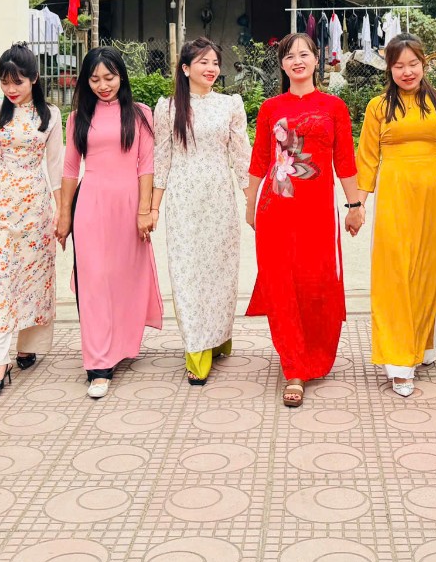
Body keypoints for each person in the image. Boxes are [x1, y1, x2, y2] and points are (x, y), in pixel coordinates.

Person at [358, 34, 436, 398]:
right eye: (399, 66)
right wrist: (357, 205)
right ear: (389, 69)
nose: (407, 72)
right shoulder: (378, 107)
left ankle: (421, 339)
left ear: (424, 64)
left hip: (433, 197)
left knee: (428, 271)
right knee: (394, 274)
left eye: (413, 64)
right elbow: (367, 159)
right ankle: (398, 360)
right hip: (394, 197)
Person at [246, 32, 363, 408]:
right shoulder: (270, 108)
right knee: (282, 285)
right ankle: (293, 367)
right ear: (282, 65)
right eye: (289, 56)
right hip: (276, 210)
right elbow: (260, 159)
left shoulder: (334, 107)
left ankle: (315, 355)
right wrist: (250, 205)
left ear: (316, 60)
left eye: (304, 54)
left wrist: (355, 205)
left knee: (316, 283)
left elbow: (345, 161)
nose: (297, 61)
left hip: (317, 213)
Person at [56, 47, 162, 400]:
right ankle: (98, 365)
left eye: (109, 77)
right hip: (91, 204)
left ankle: (120, 346)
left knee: (123, 278)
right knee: (94, 280)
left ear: (121, 76)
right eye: (95, 79)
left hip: (129, 205)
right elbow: (70, 169)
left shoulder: (140, 114)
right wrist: (64, 214)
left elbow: (146, 166)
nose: (103, 85)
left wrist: (145, 211)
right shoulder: (78, 118)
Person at [0, 44, 64, 401]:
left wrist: (62, 213)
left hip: (36, 209)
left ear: (34, 78)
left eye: (17, 81)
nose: (10, 89)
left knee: (32, 279)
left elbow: (56, 168)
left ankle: (26, 346)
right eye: (5, 82)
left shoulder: (50, 115)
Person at [150, 38, 251, 385]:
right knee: (187, 272)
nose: (211, 69)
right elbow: (161, 159)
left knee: (220, 271)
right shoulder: (167, 108)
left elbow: (241, 156)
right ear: (185, 68)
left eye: (215, 63)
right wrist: (152, 207)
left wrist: (251, 201)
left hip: (220, 198)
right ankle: (196, 347)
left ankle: (218, 336)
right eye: (203, 62)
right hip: (184, 200)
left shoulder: (230, 105)